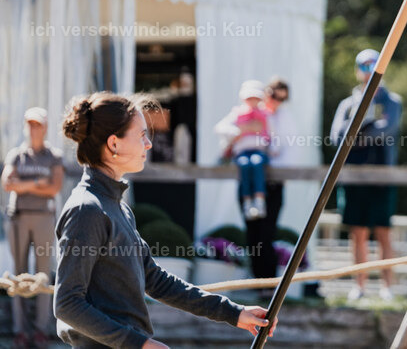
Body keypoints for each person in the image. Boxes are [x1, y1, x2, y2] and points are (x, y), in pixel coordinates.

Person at [54, 91, 274, 348]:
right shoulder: (86, 210)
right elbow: (67, 303)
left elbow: (155, 280)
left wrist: (233, 313)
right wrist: (139, 344)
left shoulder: (118, 208)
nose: (148, 144)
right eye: (141, 135)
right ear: (114, 144)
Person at [330, 49, 402, 302]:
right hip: (354, 177)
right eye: (364, 66)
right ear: (358, 69)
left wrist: (357, 134)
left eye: (374, 65)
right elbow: (337, 136)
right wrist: (363, 128)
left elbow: (387, 130)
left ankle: (387, 288)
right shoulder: (348, 103)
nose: (369, 71)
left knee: (383, 232)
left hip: (382, 177)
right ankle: (359, 287)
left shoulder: (392, 101)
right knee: (357, 233)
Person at [2, 107, 64, 349]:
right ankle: (20, 331)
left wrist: (24, 185)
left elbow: (54, 188)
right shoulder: (16, 155)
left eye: (37, 124)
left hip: (43, 218)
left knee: (42, 274)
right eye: (29, 124)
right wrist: (38, 182)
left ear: (45, 127)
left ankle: (40, 330)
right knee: (18, 275)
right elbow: (7, 183)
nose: (33, 129)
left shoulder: (53, 156)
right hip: (18, 218)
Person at [238, 78, 290, 290]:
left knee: (266, 233)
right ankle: (257, 281)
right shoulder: (250, 114)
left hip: (273, 183)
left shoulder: (278, 118)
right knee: (252, 232)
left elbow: (279, 148)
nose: (276, 101)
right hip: (250, 180)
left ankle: (268, 283)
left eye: (282, 98)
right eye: (274, 95)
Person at [216, 80, 273, 220]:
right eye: (250, 98)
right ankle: (248, 201)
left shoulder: (264, 115)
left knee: (256, 162)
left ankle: (259, 200)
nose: (253, 101)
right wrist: (240, 130)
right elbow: (220, 128)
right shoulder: (238, 113)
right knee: (245, 165)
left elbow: (272, 134)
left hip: (258, 151)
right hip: (242, 152)